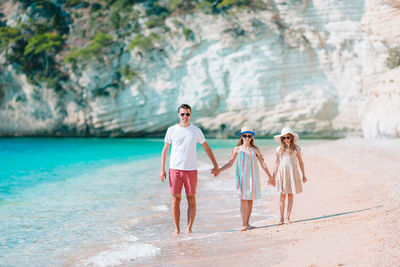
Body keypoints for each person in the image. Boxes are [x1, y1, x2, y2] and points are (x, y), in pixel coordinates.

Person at [160, 104, 219, 234]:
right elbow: (165, 150)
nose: (185, 117)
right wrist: (162, 169)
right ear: (178, 115)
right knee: (176, 198)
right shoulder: (171, 130)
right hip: (174, 169)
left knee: (191, 198)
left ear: (190, 115)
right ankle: (176, 229)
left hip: (191, 170)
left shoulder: (196, 131)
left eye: (187, 114)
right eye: (182, 114)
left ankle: (189, 228)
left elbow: (207, 148)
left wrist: (215, 164)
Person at [218, 126, 274, 231]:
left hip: (253, 177)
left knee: (250, 200)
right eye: (245, 136)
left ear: (252, 137)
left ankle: (248, 223)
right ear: (241, 137)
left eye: (249, 136)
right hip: (242, 178)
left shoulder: (255, 149)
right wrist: (219, 170)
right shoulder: (237, 149)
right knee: (243, 200)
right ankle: (244, 224)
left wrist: (270, 176)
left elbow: (263, 164)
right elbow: (230, 163)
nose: (247, 138)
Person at [272, 127, 307, 225]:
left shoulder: (296, 148)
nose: (286, 139)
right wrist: (272, 177)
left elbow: (300, 161)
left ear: (291, 138)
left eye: (288, 137)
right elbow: (277, 163)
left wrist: (304, 175)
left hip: (292, 172)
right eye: (284, 138)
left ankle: (288, 218)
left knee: (290, 195)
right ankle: (281, 218)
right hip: (282, 173)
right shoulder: (279, 149)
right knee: (282, 196)